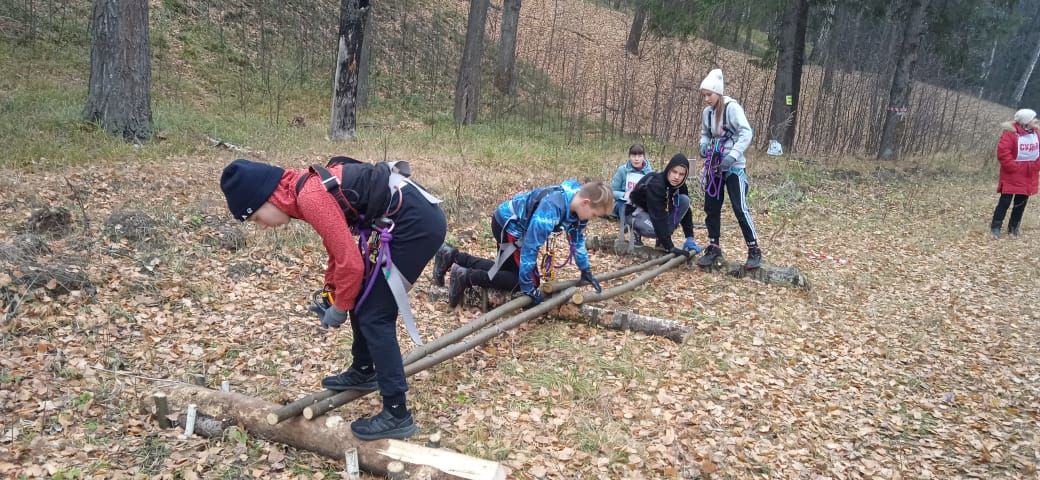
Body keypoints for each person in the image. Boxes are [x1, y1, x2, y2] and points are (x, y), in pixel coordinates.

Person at [219, 156, 446, 441]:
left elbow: (351, 265)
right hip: (408, 217)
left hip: (418, 225)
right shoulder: (304, 191)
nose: (261, 226)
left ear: (267, 197)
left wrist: (339, 308)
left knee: (376, 314)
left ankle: (397, 413)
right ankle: (364, 370)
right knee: (361, 294)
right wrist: (332, 290)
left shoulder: (310, 197)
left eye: (255, 218)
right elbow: (337, 250)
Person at [431, 180, 613, 307]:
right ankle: (465, 276)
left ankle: (452, 257)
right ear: (586, 203)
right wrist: (529, 288)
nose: (593, 218)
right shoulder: (552, 209)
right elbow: (530, 248)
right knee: (524, 280)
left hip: (516, 228)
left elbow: (577, 239)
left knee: (507, 272)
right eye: (595, 214)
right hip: (509, 226)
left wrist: (585, 270)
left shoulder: (576, 209)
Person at [695, 68, 763, 270]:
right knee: (711, 208)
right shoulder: (707, 113)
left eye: (709, 94)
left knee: (740, 207)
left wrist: (732, 156)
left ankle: (754, 250)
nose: (706, 99)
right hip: (715, 167)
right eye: (704, 95)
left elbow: (746, 132)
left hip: (734, 168)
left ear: (718, 93)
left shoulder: (733, 109)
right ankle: (713, 246)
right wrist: (703, 146)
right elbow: (705, 133)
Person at [625, 153, 700, 256]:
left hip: (653, 214)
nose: (677, 177)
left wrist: (689, 237)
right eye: (674, 172)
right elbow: (658, 216)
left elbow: (686, 211)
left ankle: (661, 241)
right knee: (655, 230)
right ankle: (636, 231)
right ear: (669, 169)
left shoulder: (680, 185)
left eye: (681, 174)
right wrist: (670, 247)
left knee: (684, 200)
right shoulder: (657, 184)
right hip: (635, 213)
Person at [990, 108, 1040, 238]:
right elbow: (1003, 153)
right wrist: (1015, 167)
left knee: (1021, 202)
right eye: (1032, 119)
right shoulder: (1010, 134)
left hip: (1029, 174)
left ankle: (1013, 227)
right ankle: (996, 227)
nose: (1036, 121)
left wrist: (1034, 166)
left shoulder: (1037, 134)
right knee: (1005, 201)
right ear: (1025, 122)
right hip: (1011, 174)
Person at [611, 143, 653, 218]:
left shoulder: (650, 173)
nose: (636, 159)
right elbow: (612, 191)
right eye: (633, 156)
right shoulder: (622, 170)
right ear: (629, 157)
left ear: (644, 157)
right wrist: (624, 195)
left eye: (640, 156)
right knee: (622, 205)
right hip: (623, 203)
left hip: (641, 205)